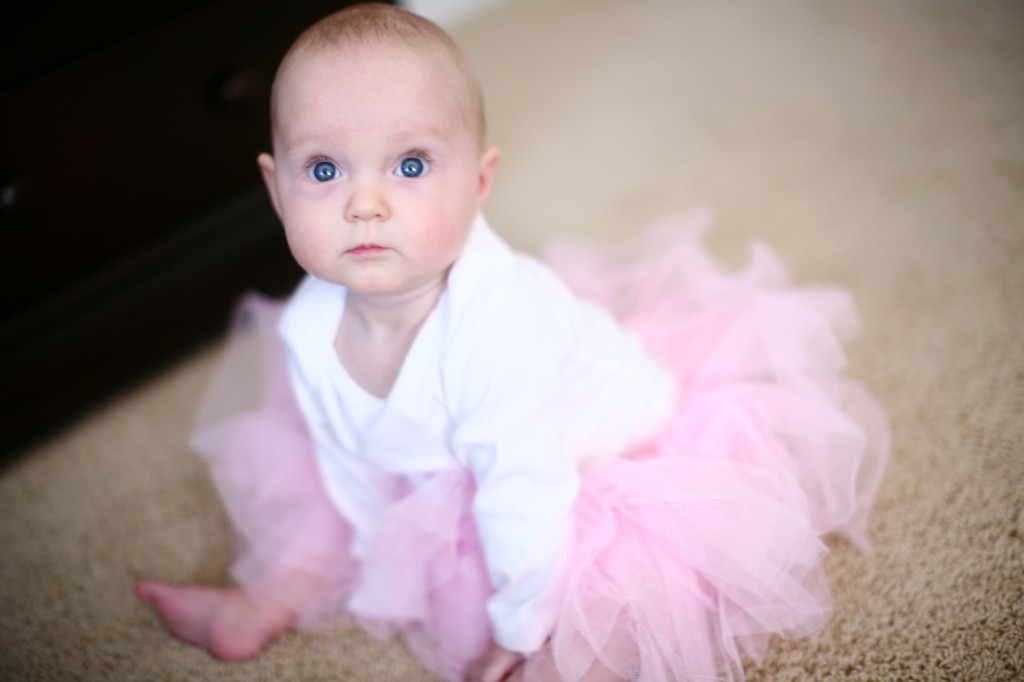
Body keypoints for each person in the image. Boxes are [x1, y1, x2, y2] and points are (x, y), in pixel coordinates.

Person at [135, 4, 889, 681]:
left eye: (410, 165)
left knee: (592, 608)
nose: (365, 204)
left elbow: (523, 492)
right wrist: (382, 552)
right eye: (324, 169)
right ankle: (261, 603)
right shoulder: (307, 326)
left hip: (582, 460)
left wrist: (518, 626)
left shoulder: (497, 332)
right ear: (276, 189)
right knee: (323, 511)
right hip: (454, 458)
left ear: (478, 181)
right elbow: (346, 458)